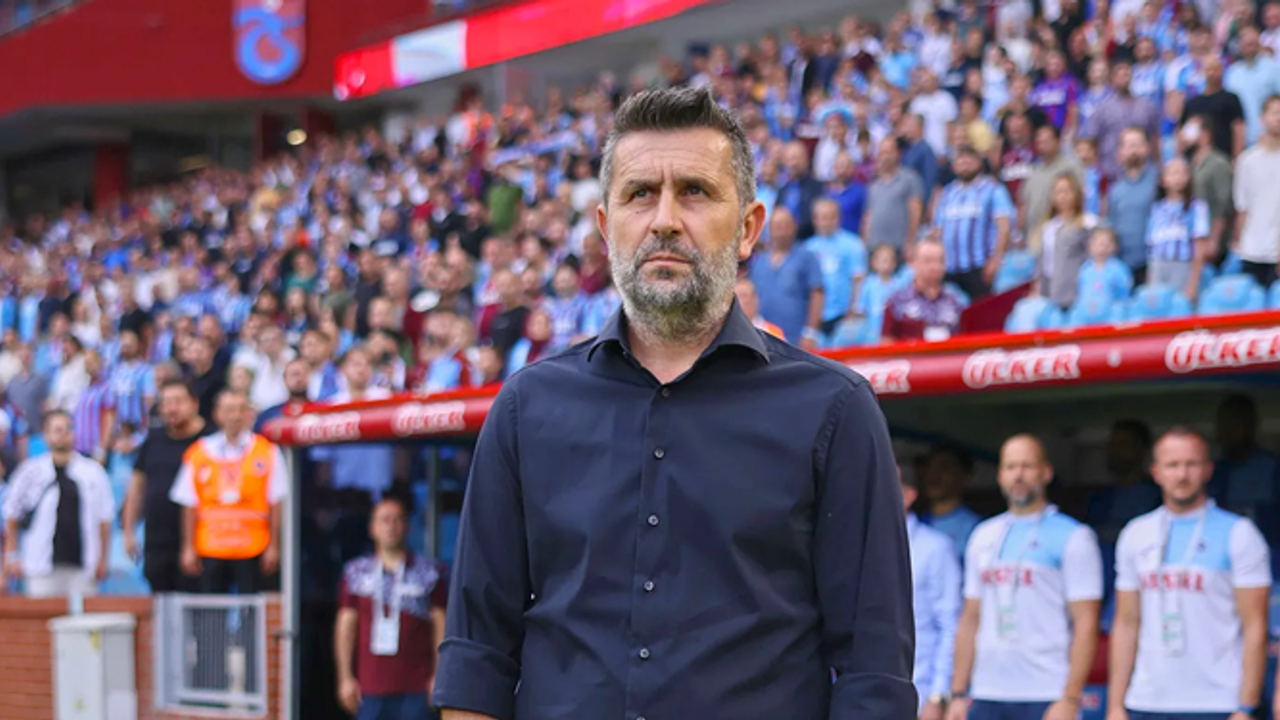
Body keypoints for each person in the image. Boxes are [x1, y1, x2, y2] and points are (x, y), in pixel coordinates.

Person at [433, 86, 916, 720]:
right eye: (639, 193)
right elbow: (477, 658)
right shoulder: (527, 408)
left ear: (748, 229)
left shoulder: (835, 411)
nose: (663, 219)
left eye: (694, 191)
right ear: (605, 228)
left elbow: (873, 674)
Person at [1108, 428, 1270, 720]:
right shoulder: (1135, 533)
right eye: (1172, 465)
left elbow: (1255, 626)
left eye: (1191, 464)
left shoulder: (1240, 533)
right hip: (1147, 700)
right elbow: (1126, 623)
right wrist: (1116, 705)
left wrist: (1245, 707)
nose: (1182, 475)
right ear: (1156, 472)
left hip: (1217, 702)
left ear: (1208, 470)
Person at [947, 435, 1102, 720]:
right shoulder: (983, 535)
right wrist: (958, 693)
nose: (1018, 475)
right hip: (986, 691)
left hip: (1047, 692)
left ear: (1046, 472)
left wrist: (1070, 698)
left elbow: (1086, 622)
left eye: (1027, 466)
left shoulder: (1075, 536)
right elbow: (970, 618)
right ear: (1000, 475)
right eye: (1010, 467)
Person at [336, 496, 448, 720]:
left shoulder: (429, 574)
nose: (391, 526)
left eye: (398, 519)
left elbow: (441, 624)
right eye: (385, 520)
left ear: (408, 526)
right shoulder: (356, 573)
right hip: (369, 688)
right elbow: (346, 626)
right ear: (372, 528)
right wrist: (345, 677)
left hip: (417, 687)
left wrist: (440, 674)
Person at [169, 389, 288, 594]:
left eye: (241, 409)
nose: (235, 416)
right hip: (211, 546)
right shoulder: (200, 452)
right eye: (230, 410)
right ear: (217, 414)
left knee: (251, 607)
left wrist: (274, 546)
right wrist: (188, 547)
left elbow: (276, 502)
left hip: (253, 547)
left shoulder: (267, 451)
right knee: (211, 608)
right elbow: (188, 503)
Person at [0, 410, 114, 597]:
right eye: (57, 430)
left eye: (68, 429)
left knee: (82, 615)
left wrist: (103, 559)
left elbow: (105, 519)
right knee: (42, 613)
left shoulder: (93, 473)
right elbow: (11, 515)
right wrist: (13, 555)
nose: (63, 434)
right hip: (40, 564)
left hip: (83, 565)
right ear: (46, 435)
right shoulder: (30, 472)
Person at [122, 378, 211, 592]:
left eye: (178, 401)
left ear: (194, 404)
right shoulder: (153, 440)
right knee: (160, 602)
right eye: (166, 403)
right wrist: (128, 531)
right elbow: (136, 487)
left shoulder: (209, 442)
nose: (172, 408)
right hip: (157, 541)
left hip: (201, 541)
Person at [902, 463, 962, 720]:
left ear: (909, 494)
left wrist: (938, 695)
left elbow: (950, 623)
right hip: (864, 697)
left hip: (920, 694)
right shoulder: (856, 545)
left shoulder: (935, 547)